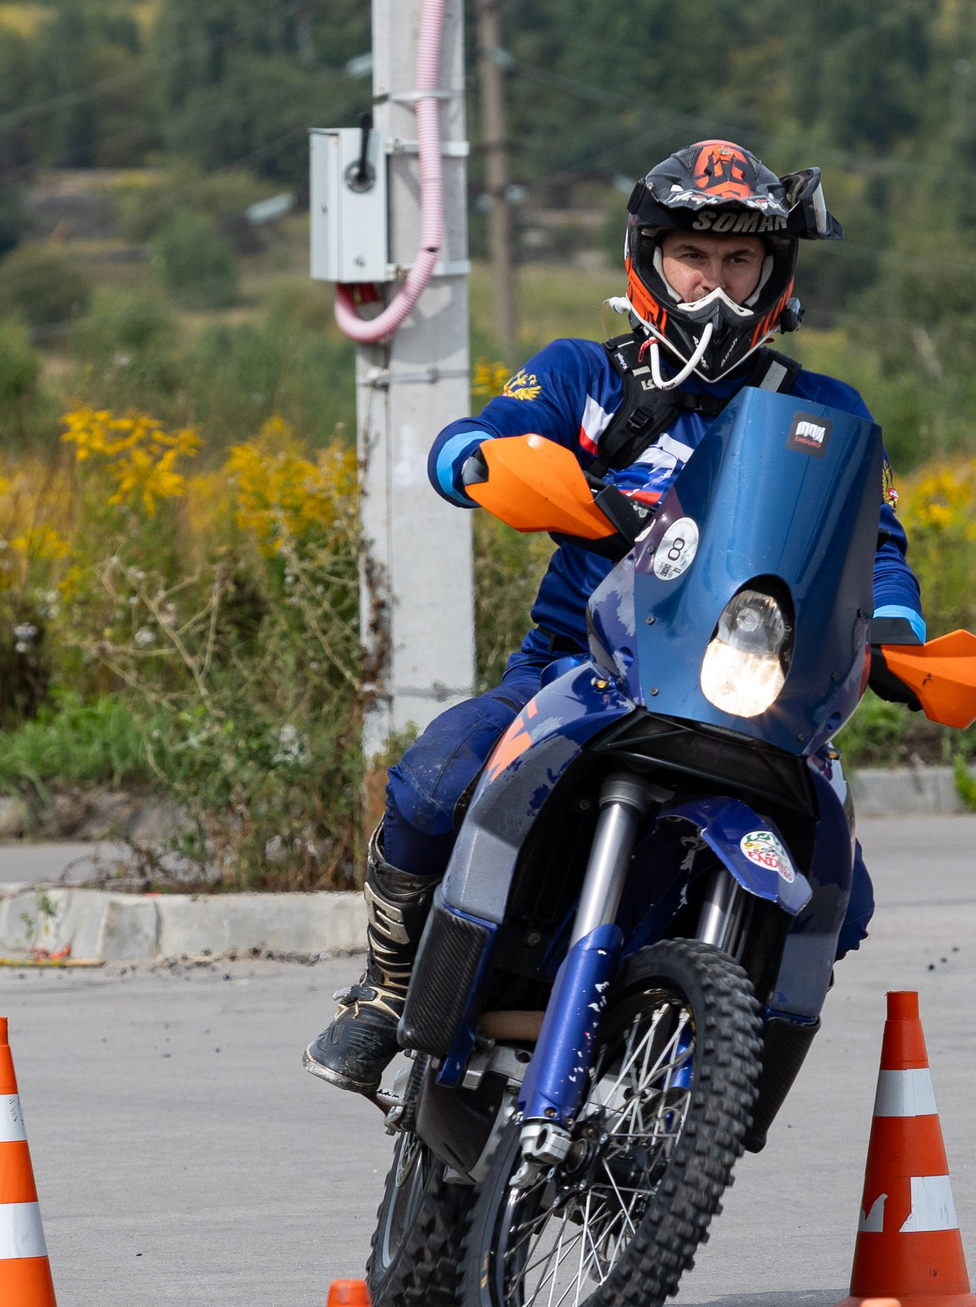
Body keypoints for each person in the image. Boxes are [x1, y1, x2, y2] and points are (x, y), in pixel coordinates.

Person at [304, 139, 928, 1104]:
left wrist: (901, 635)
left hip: (754, 693)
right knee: (436, 779)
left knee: (838, 895)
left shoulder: (822, 410)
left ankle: (704, 1092)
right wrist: (489, 464)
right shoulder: (587, 376)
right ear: (649, 259)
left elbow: (876, 543)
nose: (715, 285)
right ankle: (389, 992)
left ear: (774, 273)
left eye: (739, 262)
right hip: (583, 664)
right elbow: (473, 441)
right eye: (693, 257)